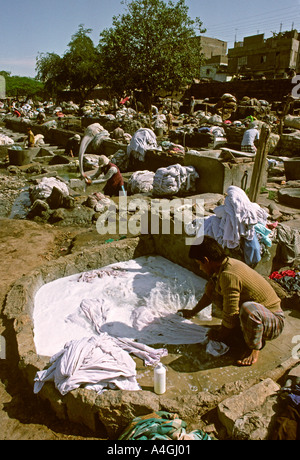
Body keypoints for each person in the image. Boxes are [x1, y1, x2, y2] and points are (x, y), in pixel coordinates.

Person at [178, 236, 285, 366]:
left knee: (248, 309)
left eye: (200, 264)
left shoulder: (229, 274)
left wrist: (220, 335)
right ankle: (242, 331)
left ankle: (255, 348)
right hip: (261, 317)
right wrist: (192, 311)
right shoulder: (224, 266)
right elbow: (209, 295)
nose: (200, 268)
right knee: (212, 288)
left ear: (206, 260)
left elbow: (231, 313)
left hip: (274, 321)